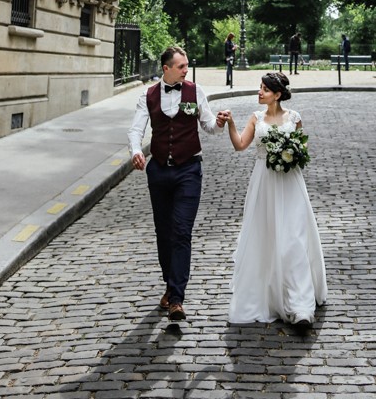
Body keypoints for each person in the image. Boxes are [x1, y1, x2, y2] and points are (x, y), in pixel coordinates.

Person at [128, 45, 229, 323]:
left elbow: (208, 125)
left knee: (182, 232)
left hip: (188, 169)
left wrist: (218, 123)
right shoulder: (148, 95)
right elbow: (136, 129)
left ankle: (176, 299)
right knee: (164, 233)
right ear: (167, 69)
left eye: (186, 65)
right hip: (159, 171)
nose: (186, 70)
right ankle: (169, 284)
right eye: (182, 66)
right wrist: (136, 150)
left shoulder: (195, 91)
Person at [225, 71, 327, 329]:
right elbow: (240, 145)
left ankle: (301, 306)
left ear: (277, 95)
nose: (259, 93)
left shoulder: (294, 118)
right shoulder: (256, 118)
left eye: (264, 90)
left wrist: (290, 152)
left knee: (293, 239)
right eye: (259, 88)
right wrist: (230, 124)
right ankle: (268, 294)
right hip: (264, 184)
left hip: (290, 184)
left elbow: (303, 150)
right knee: (266, 237)